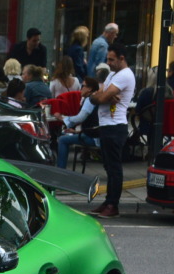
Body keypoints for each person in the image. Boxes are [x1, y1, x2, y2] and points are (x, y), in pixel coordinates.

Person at [91, 41, 135, 218]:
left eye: (111, 59)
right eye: (107, 59)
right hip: (107, 125)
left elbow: (101, 97)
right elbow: (98, 95)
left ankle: (113, 204)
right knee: (108, 167)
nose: (108, 63)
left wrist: (100, 96)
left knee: (114, 168)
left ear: (121, 58)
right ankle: (109, 200)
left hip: (115, 126)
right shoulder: (113, 75)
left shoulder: (124, 75)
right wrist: (99, 95)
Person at [56, 76, 101, 168]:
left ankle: (61, 169)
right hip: (94, 134)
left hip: (92, 137)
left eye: (83, 86)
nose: (80, 89)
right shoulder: (94, 98)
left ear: (89, 89)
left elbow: (80, 118)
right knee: (65, 136)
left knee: (62, 140)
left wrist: (63, 118)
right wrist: (76, 131)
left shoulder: (90, 100)